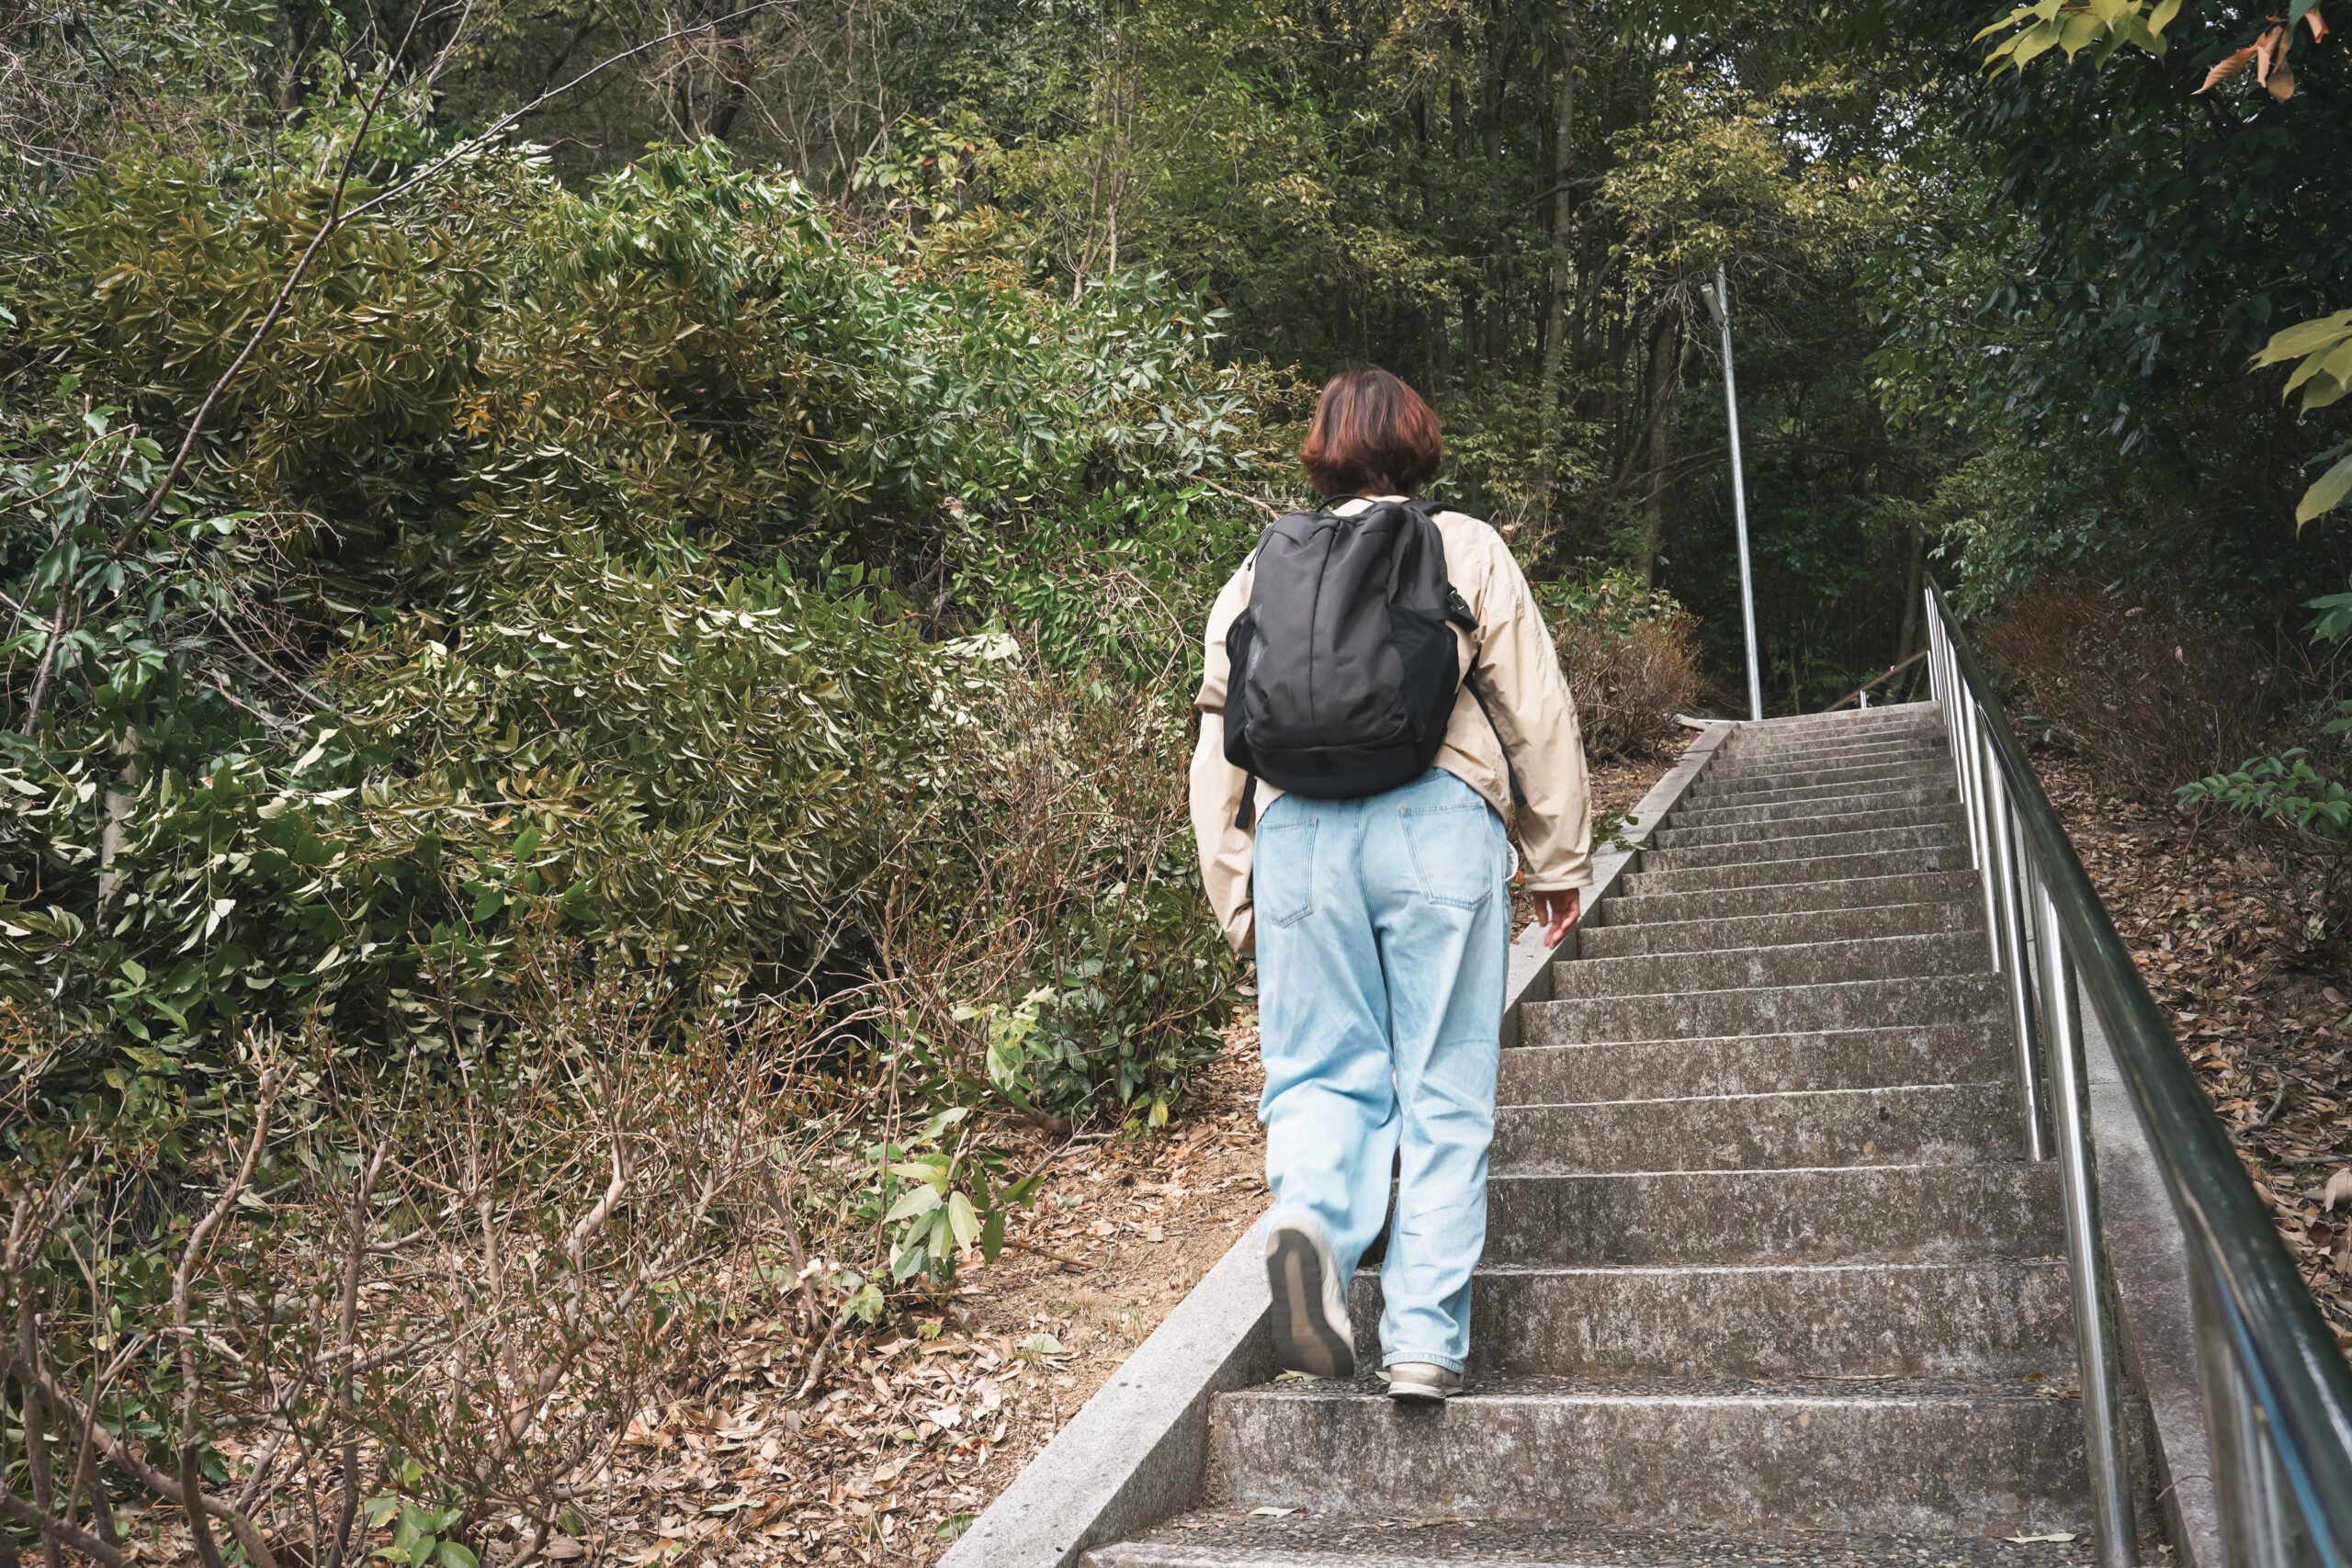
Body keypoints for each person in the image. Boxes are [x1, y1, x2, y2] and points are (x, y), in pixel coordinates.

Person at [1189, 367, 1592, 1403]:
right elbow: (1534, 708)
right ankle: (1421, 1342)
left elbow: (1215, 741)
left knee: (1319, 1074)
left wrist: (1235, 890)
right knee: (1444, 1095)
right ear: (1420, 443)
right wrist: (1557, 860)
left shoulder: (1260, 566)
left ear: (1320, 450)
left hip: (1295, 843)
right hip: (1437, 824)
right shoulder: (1462, 544)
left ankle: (1314, 1225)